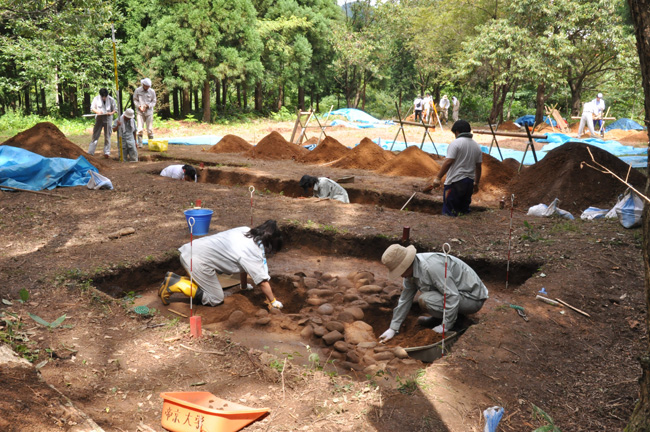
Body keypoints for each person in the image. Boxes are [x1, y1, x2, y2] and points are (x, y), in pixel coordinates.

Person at [159, 220, 284, 308]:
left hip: (192, 250)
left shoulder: (245, 230)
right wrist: (273, 301)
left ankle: (174, 279)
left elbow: (243, 266)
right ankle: (177, 284)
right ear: (269, 243)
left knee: (209, 286)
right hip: (197, 260)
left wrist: (244, 286)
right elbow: (263, 282)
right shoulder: (253, 252)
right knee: (215, 298)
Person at [378, 244, 488, 343]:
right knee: (426, 299)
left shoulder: (431, 267)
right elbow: (405, 299)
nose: (400, 275)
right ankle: (440, 318)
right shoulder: (411, 272)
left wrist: (445, 326)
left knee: (426, 299)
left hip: (472, 298)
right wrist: (393, 328)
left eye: (400, 271)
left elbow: (451, 295)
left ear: (406, 265)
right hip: (457, 295)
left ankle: (456, 323)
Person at [427, 119, 482, 216]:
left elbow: (448, 162)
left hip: (455, 182)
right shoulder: (476, 146)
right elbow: (478, 167)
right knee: (463, 210)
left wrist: (438, 178)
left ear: (457, 131)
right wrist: (476, 183)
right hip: (469, 183)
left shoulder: (455, 143)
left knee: (449, 210)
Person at [89, 88, 117, 158]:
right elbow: (92, 108)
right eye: (102, 96)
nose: (104, 98)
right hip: (99, 118)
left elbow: (115, 110)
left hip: (108, 119)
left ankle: (107, 152)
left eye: (105, 96)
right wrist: (98, 112)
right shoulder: (96, 99)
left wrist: (110, 113)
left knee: (107, 136)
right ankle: (90, 152)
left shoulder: (111, 99)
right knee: (95, 135)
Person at [133, 78, 157, 147]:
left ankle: (151, 143)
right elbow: (135, 100)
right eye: (146, 86)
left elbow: (154, 101)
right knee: (140, 128)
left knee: (149, 128)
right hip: (140, 112)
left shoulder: (152, 91)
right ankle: (140, 143)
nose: (147, 87)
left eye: (148, 86)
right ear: (143, 84)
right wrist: (139, 106)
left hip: (149, 112)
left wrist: (148, 106)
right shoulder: (137, 90)